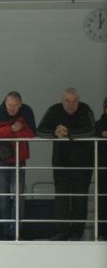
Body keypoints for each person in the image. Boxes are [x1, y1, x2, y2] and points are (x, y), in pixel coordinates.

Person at [37, 88, 97, 241]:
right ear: (61, 100)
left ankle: (77, 233)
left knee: (80, 200)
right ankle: (62, 232)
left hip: (83, 164)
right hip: (61, 163)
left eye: (75, 101)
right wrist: (55, 133)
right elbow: (40, 131)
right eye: (67, 101)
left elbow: (91, 131)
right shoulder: (54, 110)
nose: (71, 104)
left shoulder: (85, 109)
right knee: (61, 200)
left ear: (79, 100)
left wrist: (68, 133)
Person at [0, 92, 36, 239]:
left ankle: (16, 231)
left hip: (19, 158)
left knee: (18, 196)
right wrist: (12, 129)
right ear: (5, 102)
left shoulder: (26, 110)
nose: (13, 109)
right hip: (1, 158)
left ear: (20, 105)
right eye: (10, 105)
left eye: (16, 106)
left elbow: (32, 133)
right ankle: (5, 232)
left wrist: (13, 131)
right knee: (4, 196)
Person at [96, 97, 107, 241]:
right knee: (103, 199)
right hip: (104, 167)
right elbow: (101, 132)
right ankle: (103, 232)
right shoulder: (100, 122)